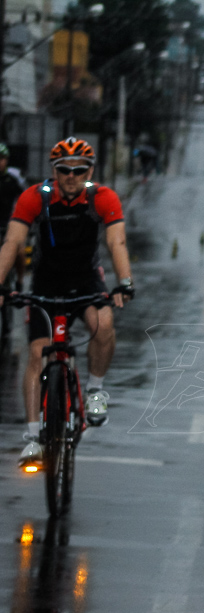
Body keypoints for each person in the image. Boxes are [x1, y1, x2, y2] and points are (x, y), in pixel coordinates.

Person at [0, 137, 134, 468]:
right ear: (54, 171)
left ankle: (95, 391)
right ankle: (33, 438)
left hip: (86, 279)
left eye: (79, 170)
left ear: (90, 170)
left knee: (103, 325)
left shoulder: (103, 197)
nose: (71, 176)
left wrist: (125, 283)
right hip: (47, 281)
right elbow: (13, 242)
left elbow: (116, 241)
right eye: (64, 170)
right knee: (37, 354)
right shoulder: (35, 197)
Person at [0, 143, 26, 293]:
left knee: (20, 251)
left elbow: (25, 199)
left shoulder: (14, 179)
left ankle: (20, 280)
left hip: (10, 223)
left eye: (2, 159)